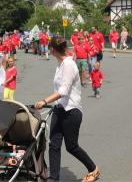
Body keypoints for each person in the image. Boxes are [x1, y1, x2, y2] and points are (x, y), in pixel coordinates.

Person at [34, 37, 100, 182]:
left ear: (52, 50)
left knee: (71, 146)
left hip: (71, 111)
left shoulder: (69, 64)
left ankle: (93, 169)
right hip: (59, 109)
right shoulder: (61, 64)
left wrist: (44, 101)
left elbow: (63, 90)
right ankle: (53, 178)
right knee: (54, 145)